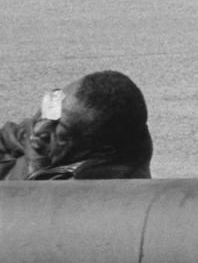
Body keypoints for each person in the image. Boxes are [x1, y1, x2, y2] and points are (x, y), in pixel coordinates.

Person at [1, 71, 153, 181]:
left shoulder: (95, 192)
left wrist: (36, 161)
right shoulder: (53, 125)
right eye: (51, 106)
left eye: (61, 133)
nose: (38, 129)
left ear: (101, 151)